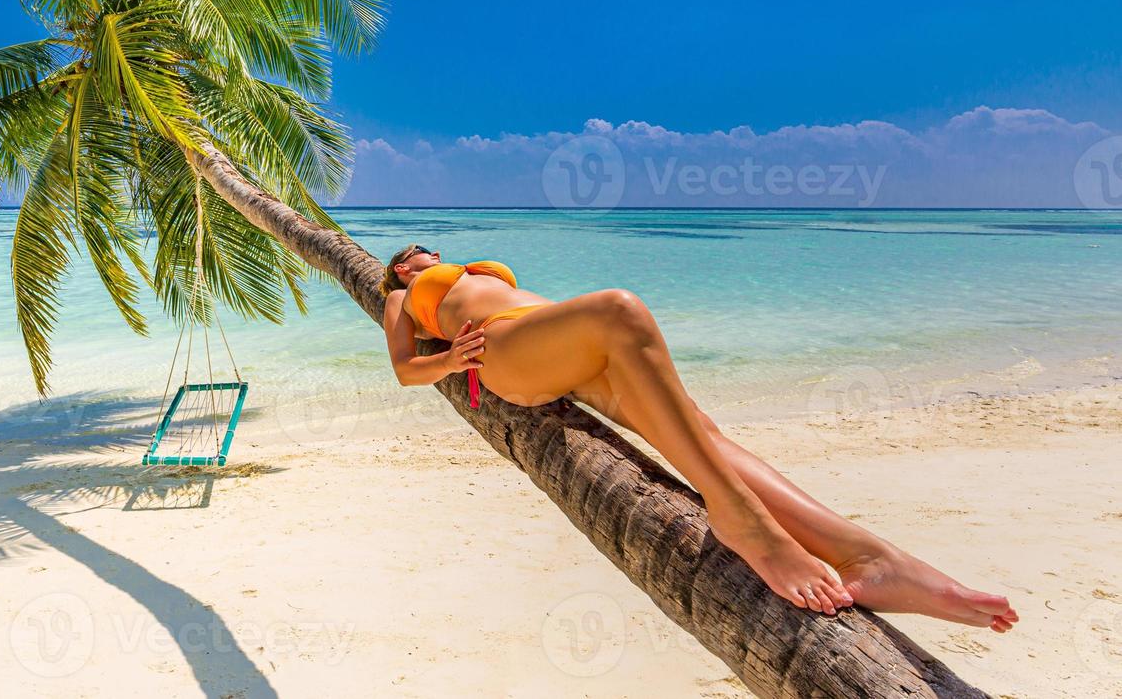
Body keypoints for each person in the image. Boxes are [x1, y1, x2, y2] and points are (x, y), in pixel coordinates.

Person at [379, 244, 1017, 631]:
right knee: (619, 308)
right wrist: (451, 361)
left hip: (565, 349)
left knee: (706, 437)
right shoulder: (401, 297)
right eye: (414, 256)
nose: (426, 255)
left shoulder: (474, 271)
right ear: (402, 271)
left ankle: (875, 560)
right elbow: (406, 370)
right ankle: (741, 519)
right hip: (506, 356)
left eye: (429, 250)